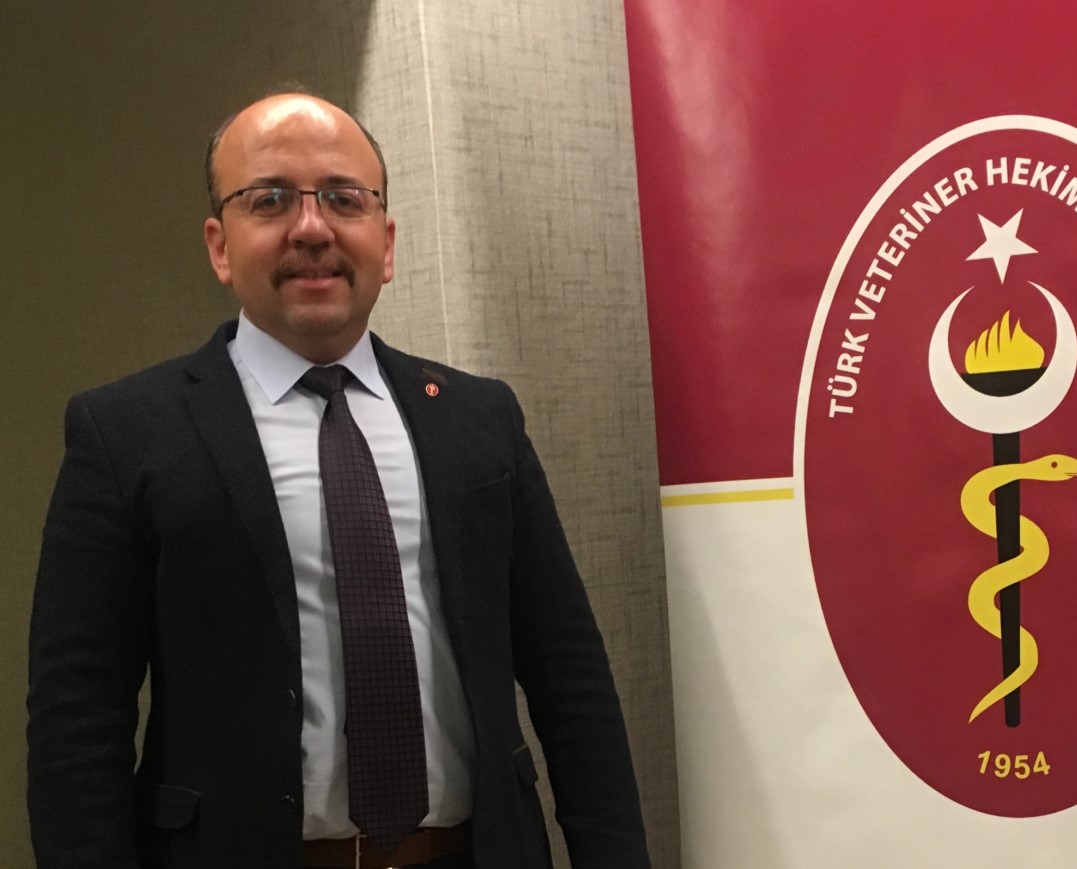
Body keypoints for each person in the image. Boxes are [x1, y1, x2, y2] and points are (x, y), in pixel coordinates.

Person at [27, 91, 650, 869]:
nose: (312, 228)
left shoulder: (480, 418)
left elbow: (571, 679)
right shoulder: (126, 433)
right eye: (270, 199)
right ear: (220, 246)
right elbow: (76, 721)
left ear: (385, 243)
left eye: (344, 198)